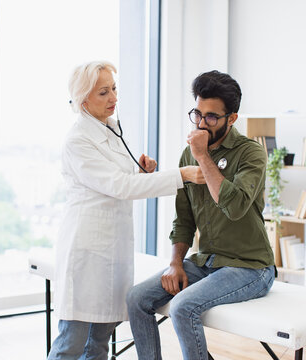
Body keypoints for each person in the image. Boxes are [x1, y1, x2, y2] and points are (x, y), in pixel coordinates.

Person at [48, 61, 204, 360]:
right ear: (83, 101)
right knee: (72, 343)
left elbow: (120, 181)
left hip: (112, 251)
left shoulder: (110, 128)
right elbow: (118, 186)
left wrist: (142, 172)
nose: (113, 98)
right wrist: (179, 175)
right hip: (87, 250)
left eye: (114, 89)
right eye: (103, 92)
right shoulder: (78, 140)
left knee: (99, 344)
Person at [126, 70, 276, 360]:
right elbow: (183, 220)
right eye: (197, 113)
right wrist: (174, 264)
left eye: (211, 117)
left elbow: (233, 207)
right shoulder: (188, 154)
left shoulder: (250, 154)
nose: (200, 123)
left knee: (183, 307)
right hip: (206, 261)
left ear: (231, 119)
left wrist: (203, 157)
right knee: (136, 298)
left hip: (250, 267)